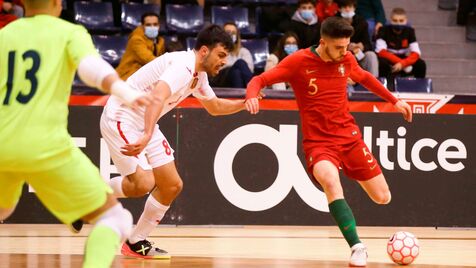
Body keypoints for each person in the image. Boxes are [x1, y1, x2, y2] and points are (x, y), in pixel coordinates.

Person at [244, 17, 412, 266]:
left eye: (347, 47)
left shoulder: (346, 58)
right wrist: (251, 96)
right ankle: (357, 246)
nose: (345, 52)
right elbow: (259, 80)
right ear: (323, 42)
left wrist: (394, 100)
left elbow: (365, 78)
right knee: (330, 180)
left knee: (382, 197)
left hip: (349, 138)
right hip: (318, 143)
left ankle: (352, 185)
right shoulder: (299, 61)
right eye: (339, 48)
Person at [0, 0, 154, 267]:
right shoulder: (69, 32)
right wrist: (124, 91)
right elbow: (91, 69)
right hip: (44, 145)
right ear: (57, 3)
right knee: (115, 220)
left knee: (4, 209)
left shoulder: (5, 35)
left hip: (2, 142)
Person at [100, 24, 246, 259]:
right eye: (220, 55)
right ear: (204, 51)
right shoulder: (183, 65)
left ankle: (135, 241)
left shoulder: (199, 76)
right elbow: (158, 96)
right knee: (143, 183)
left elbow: (215, 107)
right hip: (122, 116)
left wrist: (244, 103)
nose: (223, 62)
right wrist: (147, 134)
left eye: (226, 57)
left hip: (145, 121)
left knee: (171, 185)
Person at [376, 8, 426, 89]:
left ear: (406, 21)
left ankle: (419, 88)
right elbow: (381, 52)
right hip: (388, 58)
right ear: (390, 20)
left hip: (403, 59)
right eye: (395, 20)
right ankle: (383, 88)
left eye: (401, 20)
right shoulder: (383, 30)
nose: (398, 23)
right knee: (382, 63)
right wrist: (400, 63)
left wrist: (403, 63)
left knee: (421, 64)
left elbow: (416, 53)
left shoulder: (410, 31)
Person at [116, 12, 166, 80]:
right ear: (142, 26)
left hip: (144, 77)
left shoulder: (160, 41)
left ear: (159, 26)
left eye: (155, 24)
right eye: (148, 25)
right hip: (127, 77)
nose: (152, 27)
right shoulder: (136, 40)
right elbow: (149, 60)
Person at [337, 0, 378, 77]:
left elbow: (368, 45)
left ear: (354, 8)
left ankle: (374, 84)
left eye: (350, 7)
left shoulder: (361, 22)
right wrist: (345, 47)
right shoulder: (333, 23)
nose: (347, 9)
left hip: (358, 55)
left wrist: (362, 46)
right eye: (345, 7)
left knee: (371, 55)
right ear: (339, 9)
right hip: (340, 57)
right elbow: (328, 44)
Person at [210, 22, 254, 88]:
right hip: (220, 79)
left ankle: (240, 96)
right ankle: (253, 87)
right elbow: (216, 68)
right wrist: (234, 65)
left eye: (233, 33)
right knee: (240, 63)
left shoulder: (244, 51)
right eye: (228, 32)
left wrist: (234, 67)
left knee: (236, 73)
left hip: (236, 78)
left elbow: (249, 69)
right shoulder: (216, 50)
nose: (231, 35)